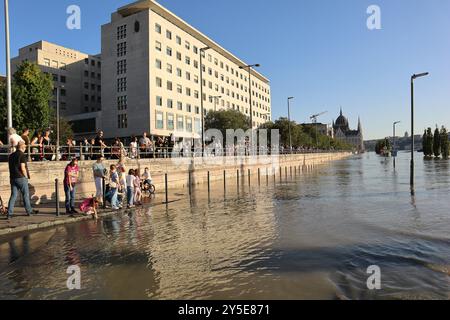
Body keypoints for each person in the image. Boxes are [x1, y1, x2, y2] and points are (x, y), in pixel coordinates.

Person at [6, 141, 39, 219]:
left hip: (13, 178)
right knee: (25, 195)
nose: (25, 148)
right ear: (22, 147)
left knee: (13, 196)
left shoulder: (11, 155)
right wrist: (26, 177)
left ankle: (9, 214)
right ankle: (29, 211)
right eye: (25, 147)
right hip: (21, 177)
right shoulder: (22, 155)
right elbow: (22, 167)